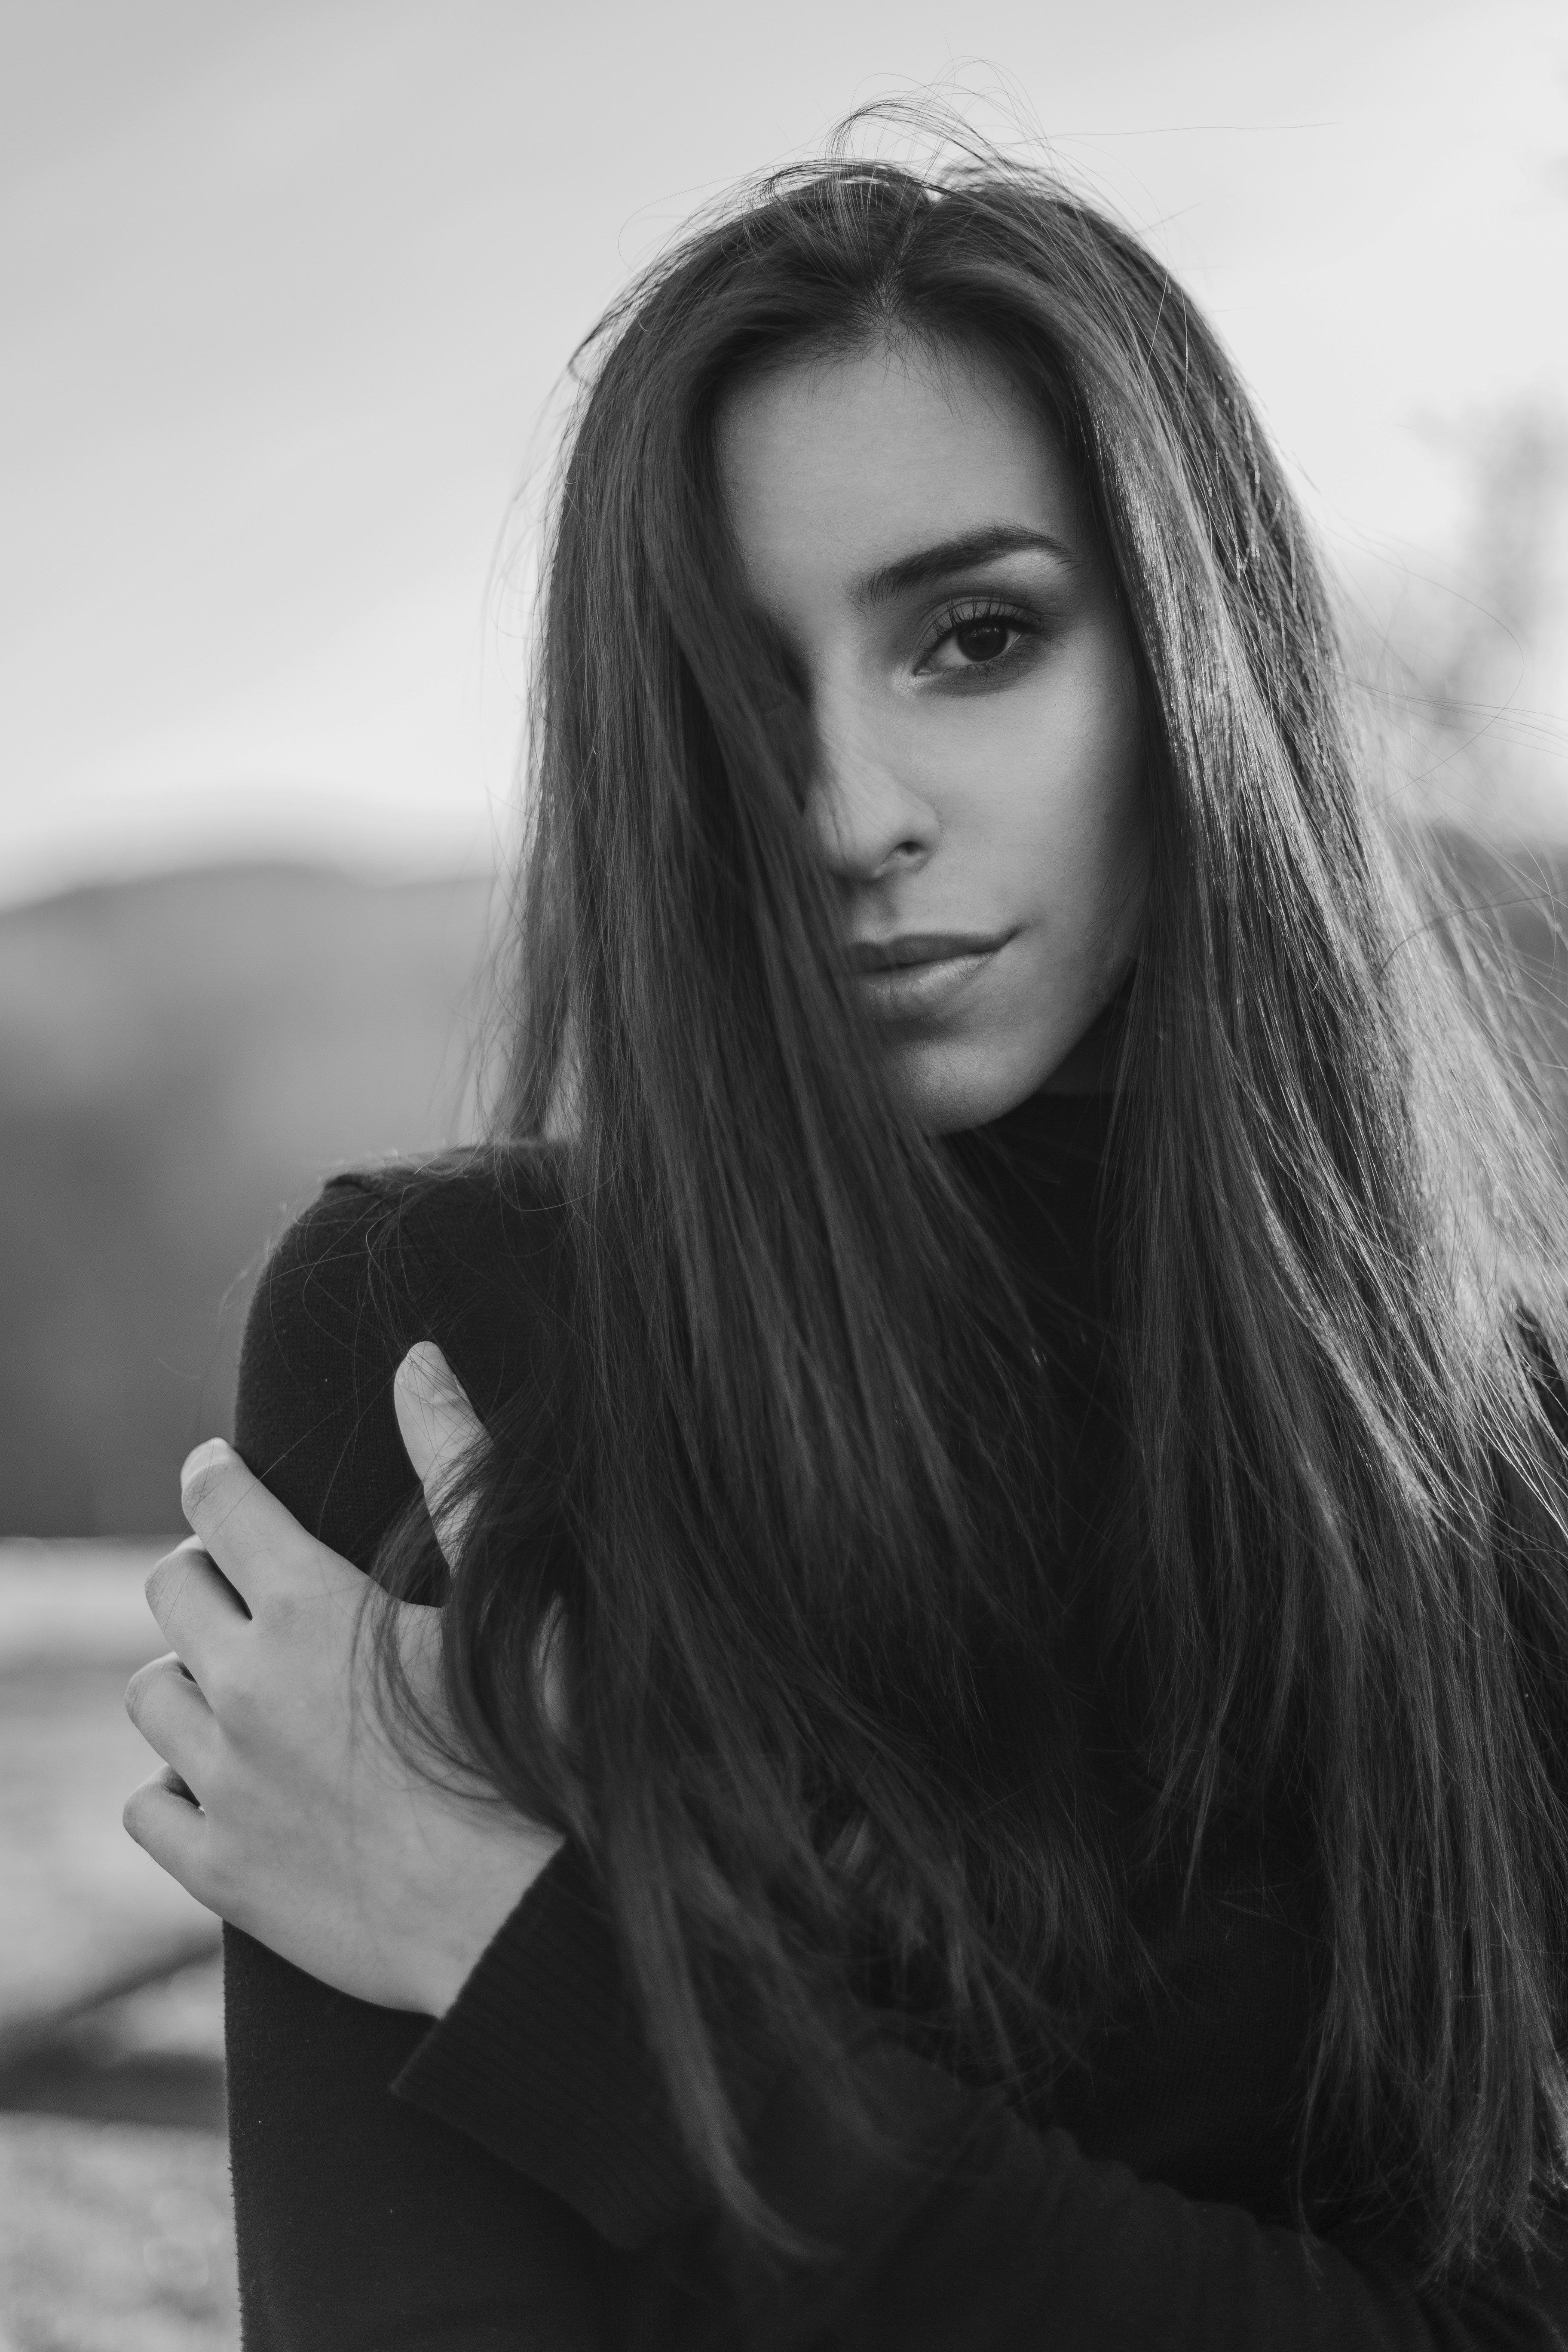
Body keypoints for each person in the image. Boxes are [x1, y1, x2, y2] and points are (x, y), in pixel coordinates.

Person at [122, 124, 1568, 2348]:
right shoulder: (454, 1354)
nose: (852, 816)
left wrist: (568, 1992)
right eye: (739, 700)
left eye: (975, 637)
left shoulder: (1498, 1461)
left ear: (1203, 665)